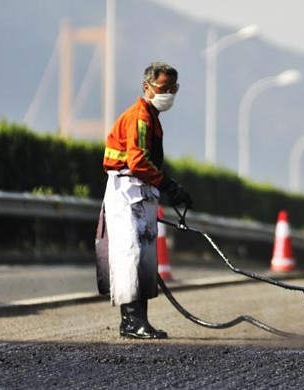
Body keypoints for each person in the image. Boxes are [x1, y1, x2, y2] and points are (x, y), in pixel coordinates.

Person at [101, 62, 192, 339]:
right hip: (127, 191)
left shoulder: (152, 118)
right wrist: (168, 184)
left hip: (139, 192)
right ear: (147, 87)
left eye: (173, 89)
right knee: (132, 254)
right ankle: (132, 322)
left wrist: (165, 186)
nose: (169, 94)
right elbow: (138, 161)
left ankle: (138, 321)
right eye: (163, 88)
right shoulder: (140, 117)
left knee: (143, 256)